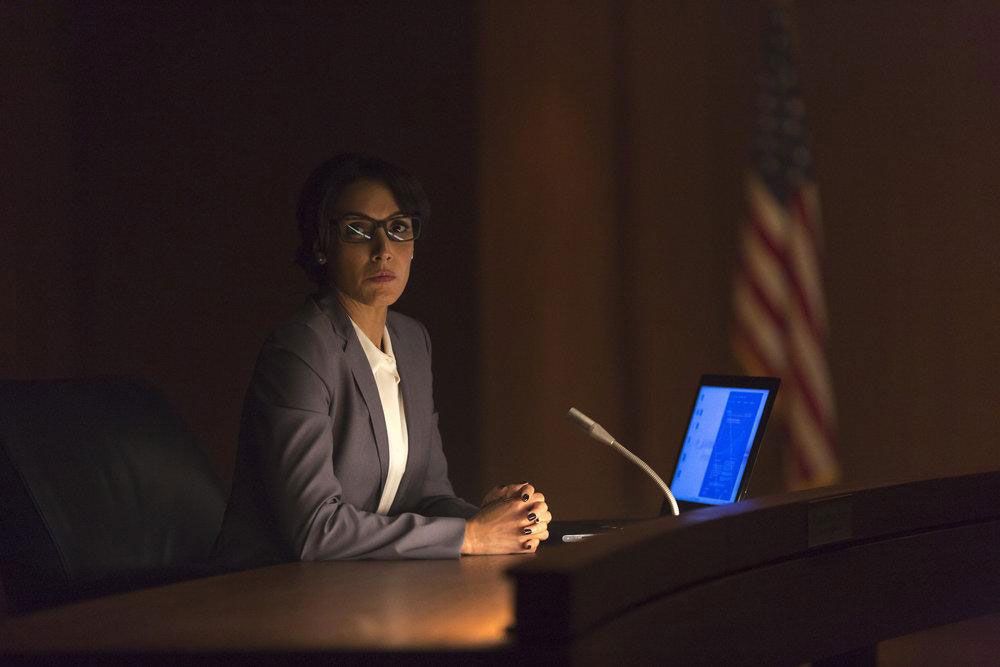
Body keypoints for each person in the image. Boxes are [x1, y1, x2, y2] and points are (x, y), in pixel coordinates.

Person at [214, 153, 550, 566]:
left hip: (361, 585)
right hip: (268, 587)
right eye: (358, 230)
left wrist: (501, 521)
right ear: (321, 245)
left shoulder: (412, 341)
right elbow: (314, 530)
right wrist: (471, 536)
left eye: (398, 228)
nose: (383, 249)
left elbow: (426, 498)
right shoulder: (301, 348)